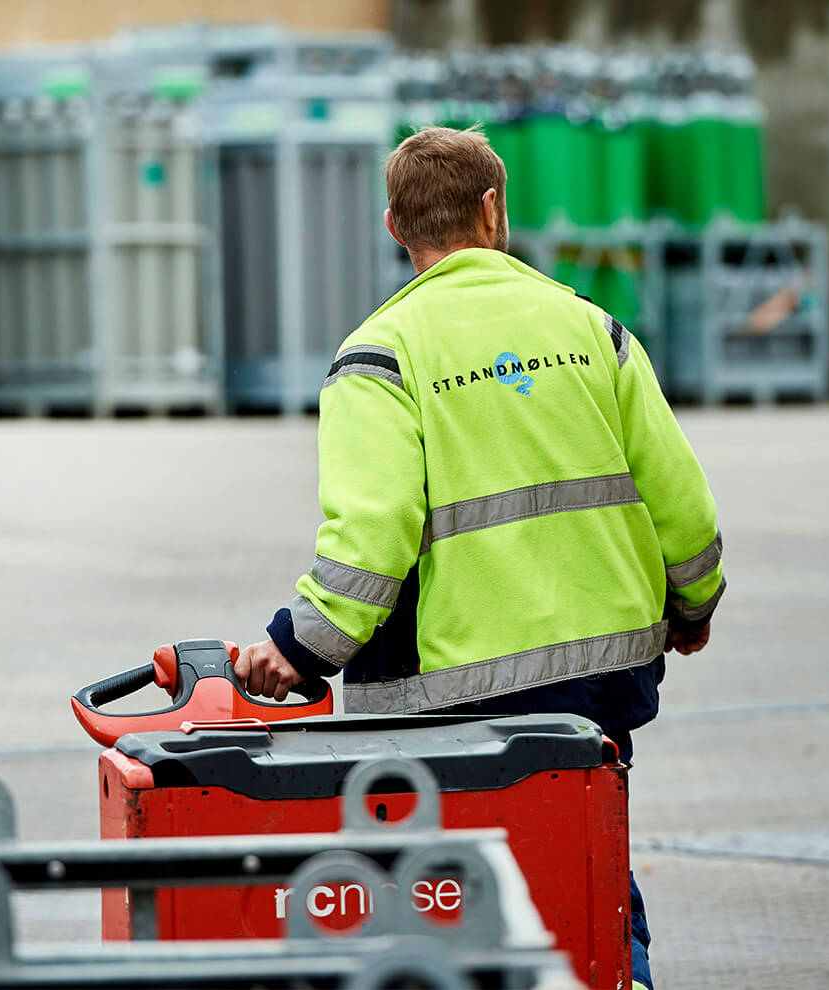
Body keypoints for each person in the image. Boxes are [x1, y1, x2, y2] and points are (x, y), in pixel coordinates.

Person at [235, 126, 724, 990]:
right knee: (589, 879)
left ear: (395, 226)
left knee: (454, 896)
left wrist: (297, 646)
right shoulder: (594, 329)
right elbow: (682, 505)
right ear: (495, 208)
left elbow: (371, 537)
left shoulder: (379, 356)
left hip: (452, 698)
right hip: (597, 684)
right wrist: (692, 608)